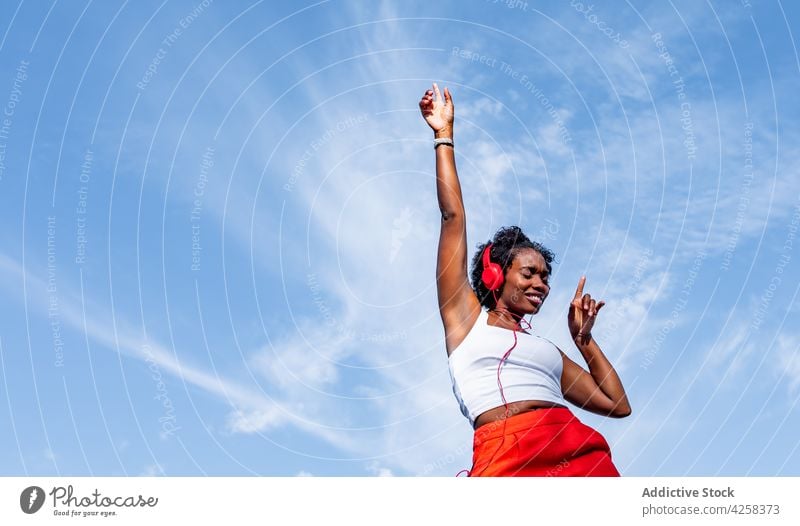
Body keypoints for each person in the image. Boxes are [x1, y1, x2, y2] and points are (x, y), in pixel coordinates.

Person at [419, 83, 631, 477]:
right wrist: (443, 136)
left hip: (579, 457)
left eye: (546, 277)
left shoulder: (546, 352)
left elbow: (617, 405)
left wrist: (584, 342)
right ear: (495, 274)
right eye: (530, 273)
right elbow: (453, 218)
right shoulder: (465, 319)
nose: (541, 284)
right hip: (506, 457)